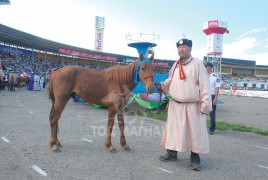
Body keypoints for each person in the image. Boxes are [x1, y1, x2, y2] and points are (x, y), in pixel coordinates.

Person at [156, 37, 212, 171]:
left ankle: (195, 157)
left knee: (194, 132)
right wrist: (161, 85)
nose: (181, 49)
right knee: (173, 130)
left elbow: (205, 85)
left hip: (193, 106)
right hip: (175, 105)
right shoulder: (175, 65)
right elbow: (170, 80)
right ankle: (172, 153)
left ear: (190, 49)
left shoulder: (198, 64)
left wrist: (205, 105)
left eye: (184, 47)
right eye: (179, 47)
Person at [205, 62, 221, 135]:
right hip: (204, 96)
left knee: (212, 113)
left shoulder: (215, 77)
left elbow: (217, 88)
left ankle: (212, 129)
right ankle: (201, 127)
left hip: (212, 96)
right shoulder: (203, 75)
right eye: (206, 67)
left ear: (211, 68)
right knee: (201, 112)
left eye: (207, 67)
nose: (206, 68)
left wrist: (215, 99)